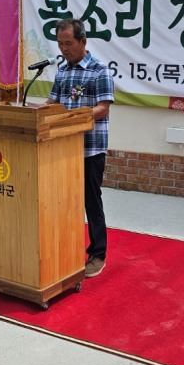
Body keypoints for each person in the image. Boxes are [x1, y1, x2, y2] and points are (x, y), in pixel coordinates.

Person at [46, 18, 114, 278]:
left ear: (83, 41)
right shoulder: (62, 70)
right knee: (64, 200)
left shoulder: (99, 70)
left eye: (69, 43)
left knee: (90, 201)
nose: (64, 49)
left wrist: (74, 118)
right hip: (62, 149)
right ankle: (67, 247)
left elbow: (102, 108)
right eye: (60, 44)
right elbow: (53, 102)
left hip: (89, 149)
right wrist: (34, 111)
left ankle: (98, 253)